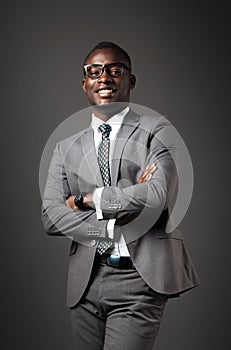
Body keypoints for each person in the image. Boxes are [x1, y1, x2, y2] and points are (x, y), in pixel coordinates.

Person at [41, 41, 200, 349]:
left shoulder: (157, 129)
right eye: (95, 71)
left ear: (131, 80)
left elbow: (157, 196)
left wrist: (86, 200)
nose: (105, 77)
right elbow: (50, 217)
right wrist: (115, 218)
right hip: (85, 283)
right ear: (84, 83)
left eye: (115, 70)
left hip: (139, 278)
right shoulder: (65, 148)